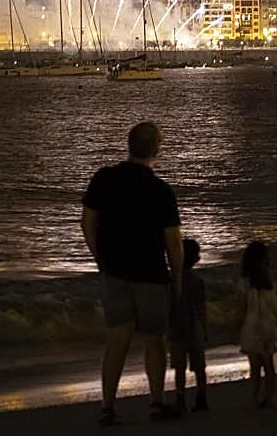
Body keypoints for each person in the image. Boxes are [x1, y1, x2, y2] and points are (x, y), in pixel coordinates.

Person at [82, 122, 184, 426]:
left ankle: (107, 406)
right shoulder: (161, 191)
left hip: (114, 272)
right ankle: (156, 402)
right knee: (154, 340)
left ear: (129, 145)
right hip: (151, 274)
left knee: (117, 340)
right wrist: (177, 278)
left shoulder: (104, 178)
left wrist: (100, 257)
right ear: (156, 149)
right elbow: (173, 242)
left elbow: (86, 221)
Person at [235, 240, 277, 408]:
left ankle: (254, 396)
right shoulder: (268, 282)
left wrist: (235, 327)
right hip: (268, 325)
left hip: (251, 326)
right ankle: (269, 397)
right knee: (268, 364)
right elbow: (274, 307)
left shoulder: (244, 282)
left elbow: (241, 308)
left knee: (254, 366)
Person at [169, 237, 209, 413]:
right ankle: (201, 396)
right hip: (195, 328)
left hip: (176, 328)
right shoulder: (197, 280)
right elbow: (202, 308)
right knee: (199, 366)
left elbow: (168, 306)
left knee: (179, 368)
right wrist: (205, 329)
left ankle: (180, 398)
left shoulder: (171, 280)